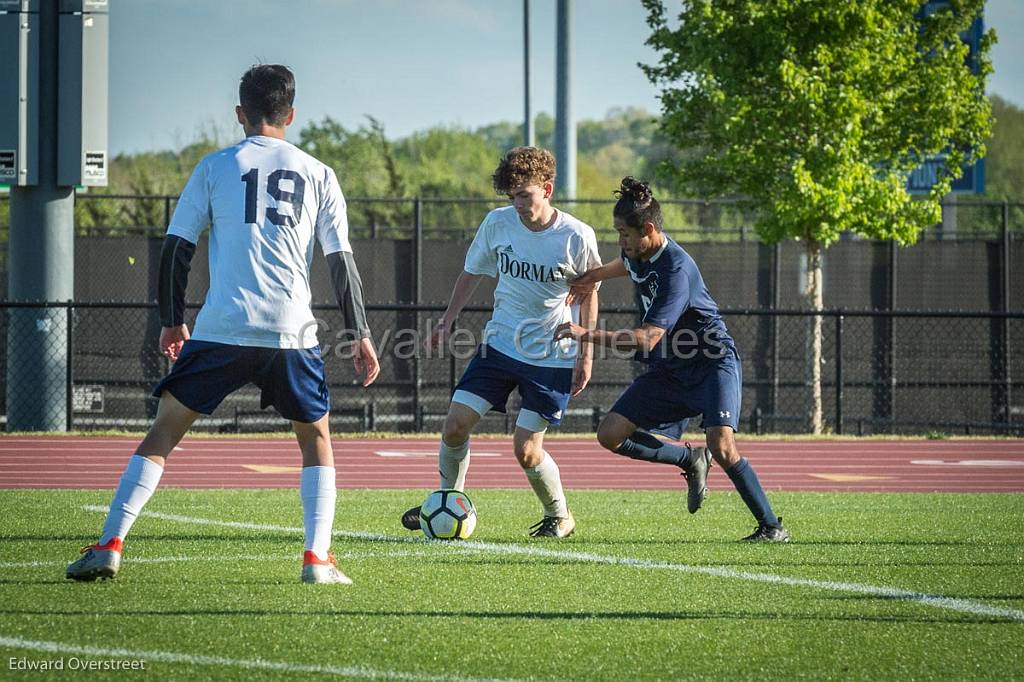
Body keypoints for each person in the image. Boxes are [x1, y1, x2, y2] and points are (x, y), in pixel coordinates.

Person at [66, 64, 381, 584]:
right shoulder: (319, 173)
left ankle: (109, 545)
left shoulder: (214, 168)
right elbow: (340, 262)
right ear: (292, 114)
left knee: (162, 435)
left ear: (240, 113)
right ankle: (316, 560)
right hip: (291, 331)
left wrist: (172, 321)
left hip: (221, 327)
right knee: (316, 441)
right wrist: (361, 333)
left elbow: (177, 249)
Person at [555, 177, 789, 542]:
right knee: (610, 434)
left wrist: (587, 335)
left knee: (722, 447)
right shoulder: (639, 253)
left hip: (711, 363)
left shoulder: (674, 269)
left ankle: (771, 526)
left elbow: (646, 338)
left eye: (624, 234)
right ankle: (687, 460)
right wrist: (589, 278)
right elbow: (619, 266)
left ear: (648, 229)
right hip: (672, 367)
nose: (621, 242)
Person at [400, 146, 601, 538]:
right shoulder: (498, 223)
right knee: (455, 425)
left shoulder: (576, 235)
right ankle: (448, 500)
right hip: (499, 347)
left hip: (551, 356)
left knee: (526, 450)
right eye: (512, 196)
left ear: (547, 188)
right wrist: (445, 322)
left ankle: (560, 515)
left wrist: (586, 353)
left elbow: (590, 291)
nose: (519, 204)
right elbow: (471, 273)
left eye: (525, 195)